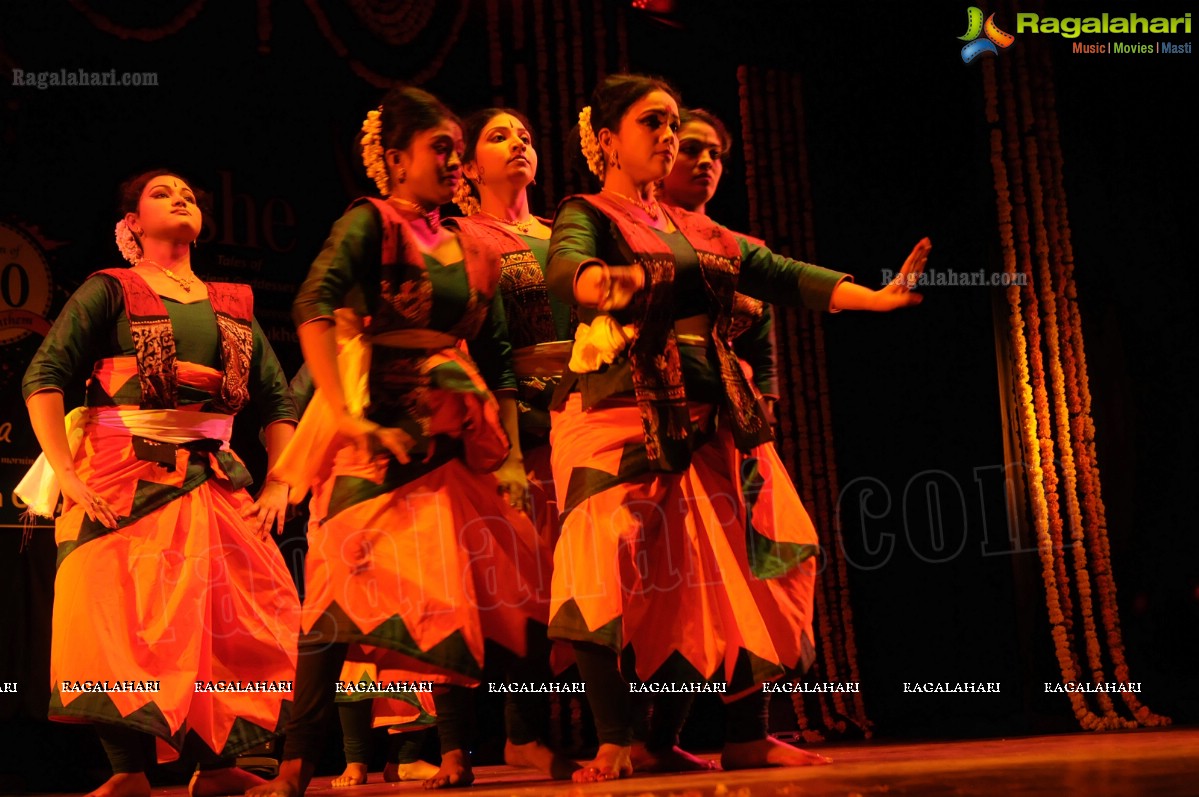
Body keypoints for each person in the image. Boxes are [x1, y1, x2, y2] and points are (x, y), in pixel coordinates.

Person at [546, 74, 930, 782]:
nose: (667, 136)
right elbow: (565, 263)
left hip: (710, 413)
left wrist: (874, 299)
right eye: (651, 123)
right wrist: (597, 283)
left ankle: (742, 732)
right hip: (618, 409)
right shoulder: (588, 211)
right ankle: (613, 736)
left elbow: (781, 273)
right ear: (606, 140)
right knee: (600, 561)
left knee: (745, 564)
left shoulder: (701, 229)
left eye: (672, 123)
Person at [248, 86, 551, 796]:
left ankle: (456, 753)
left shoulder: (473, 243)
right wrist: (348, 415)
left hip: (457, 424)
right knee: (333, 590)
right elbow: (313, 303)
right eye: (438, 149)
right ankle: (296, 763)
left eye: (455, 149)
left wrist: (506, 452)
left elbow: (499, 353)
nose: (452, 162)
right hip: (373, 419)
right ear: (393, 159)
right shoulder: (371, 222)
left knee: (453, 587)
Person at [19, 170, 300, 797]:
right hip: (119, 475)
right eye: (162, 193)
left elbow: (278, 403)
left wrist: (280, 481)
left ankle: (218, 762)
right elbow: (45, 376)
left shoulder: (233, 306)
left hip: (212, 480)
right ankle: (128, 771)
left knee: (224, 619)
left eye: (191, 196)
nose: (181, 199)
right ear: (132, 224)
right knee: (113, 615)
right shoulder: (109, 290)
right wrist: (65, 472)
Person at [445, 107, 582, 780]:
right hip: (509, 419)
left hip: (582, 412)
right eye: (499, 136)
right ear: (466, 165)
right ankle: (516, 731)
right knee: (515, 580)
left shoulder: (565, 237)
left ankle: (619, 725)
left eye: (526, 135)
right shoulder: (460, 236)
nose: (519, 144)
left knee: (579, 572)